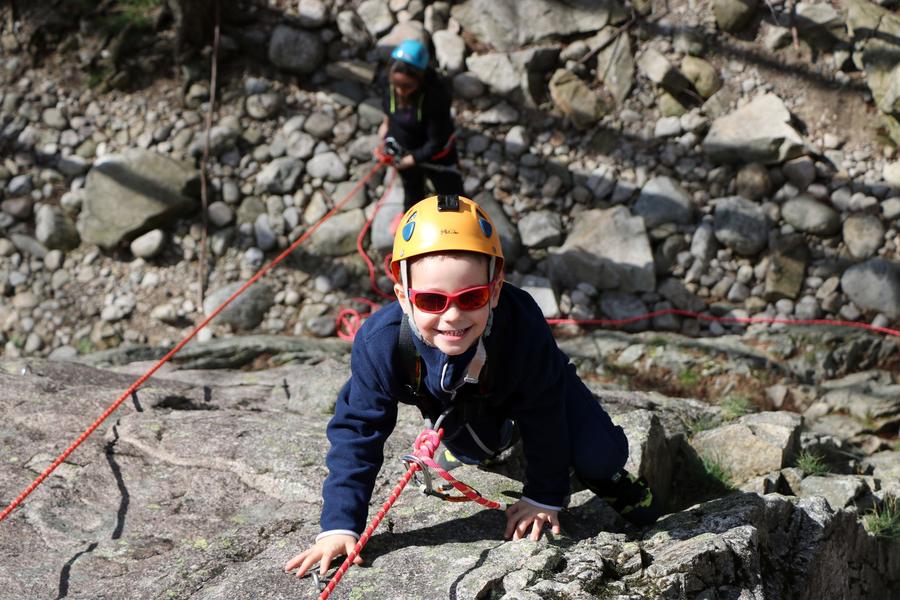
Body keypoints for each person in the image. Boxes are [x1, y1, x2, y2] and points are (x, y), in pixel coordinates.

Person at [284, 194, 659, 581]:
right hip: (454, 397)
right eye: (431, 300)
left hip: (532, 381)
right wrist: (340, 525)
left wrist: (543, 496)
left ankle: (611, 478)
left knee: (598, 455)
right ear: (403, 297)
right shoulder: (380, 344)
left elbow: (544, 409)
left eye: (472, 297)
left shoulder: (521, 324)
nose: (452, 316)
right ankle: (493, 442)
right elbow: (358, 431)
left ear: (494, 291)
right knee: (475, 449)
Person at [377, 39, 464, 212]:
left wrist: (412, 159)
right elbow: (387, 107)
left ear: (420, 78)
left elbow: (437, 140)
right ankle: (411, 218)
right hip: (403, 150)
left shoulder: (436, 96)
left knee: (450, 196)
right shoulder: (387, 81)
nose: (400, 91)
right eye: (397, 84)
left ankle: (454, 223)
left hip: (437, 157)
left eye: (407, 86)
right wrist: (385, 127)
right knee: (412, 190)